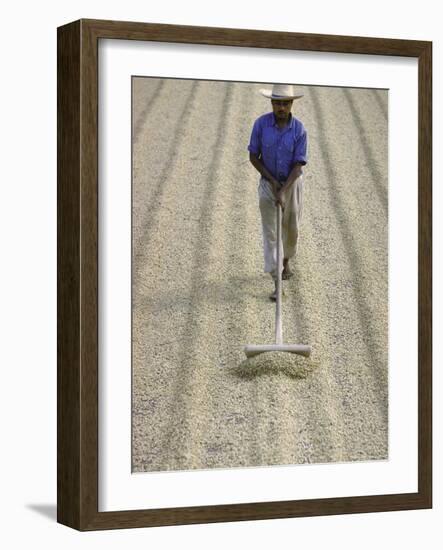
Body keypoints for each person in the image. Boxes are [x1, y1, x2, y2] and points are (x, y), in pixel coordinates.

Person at [248, 83, 308, 300]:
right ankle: (277, 281)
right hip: (268, 183)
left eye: (285, 103)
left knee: (291, 228)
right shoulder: (261, 125)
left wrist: (283, 190)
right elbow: (254, 156)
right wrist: (273, 183)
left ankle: (285, 262)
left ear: (291, 104)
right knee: (272, 234)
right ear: (271, 103)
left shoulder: (299, 130)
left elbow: (299, 164)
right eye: (277, 103)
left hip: (292, 184)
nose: (281, 107)